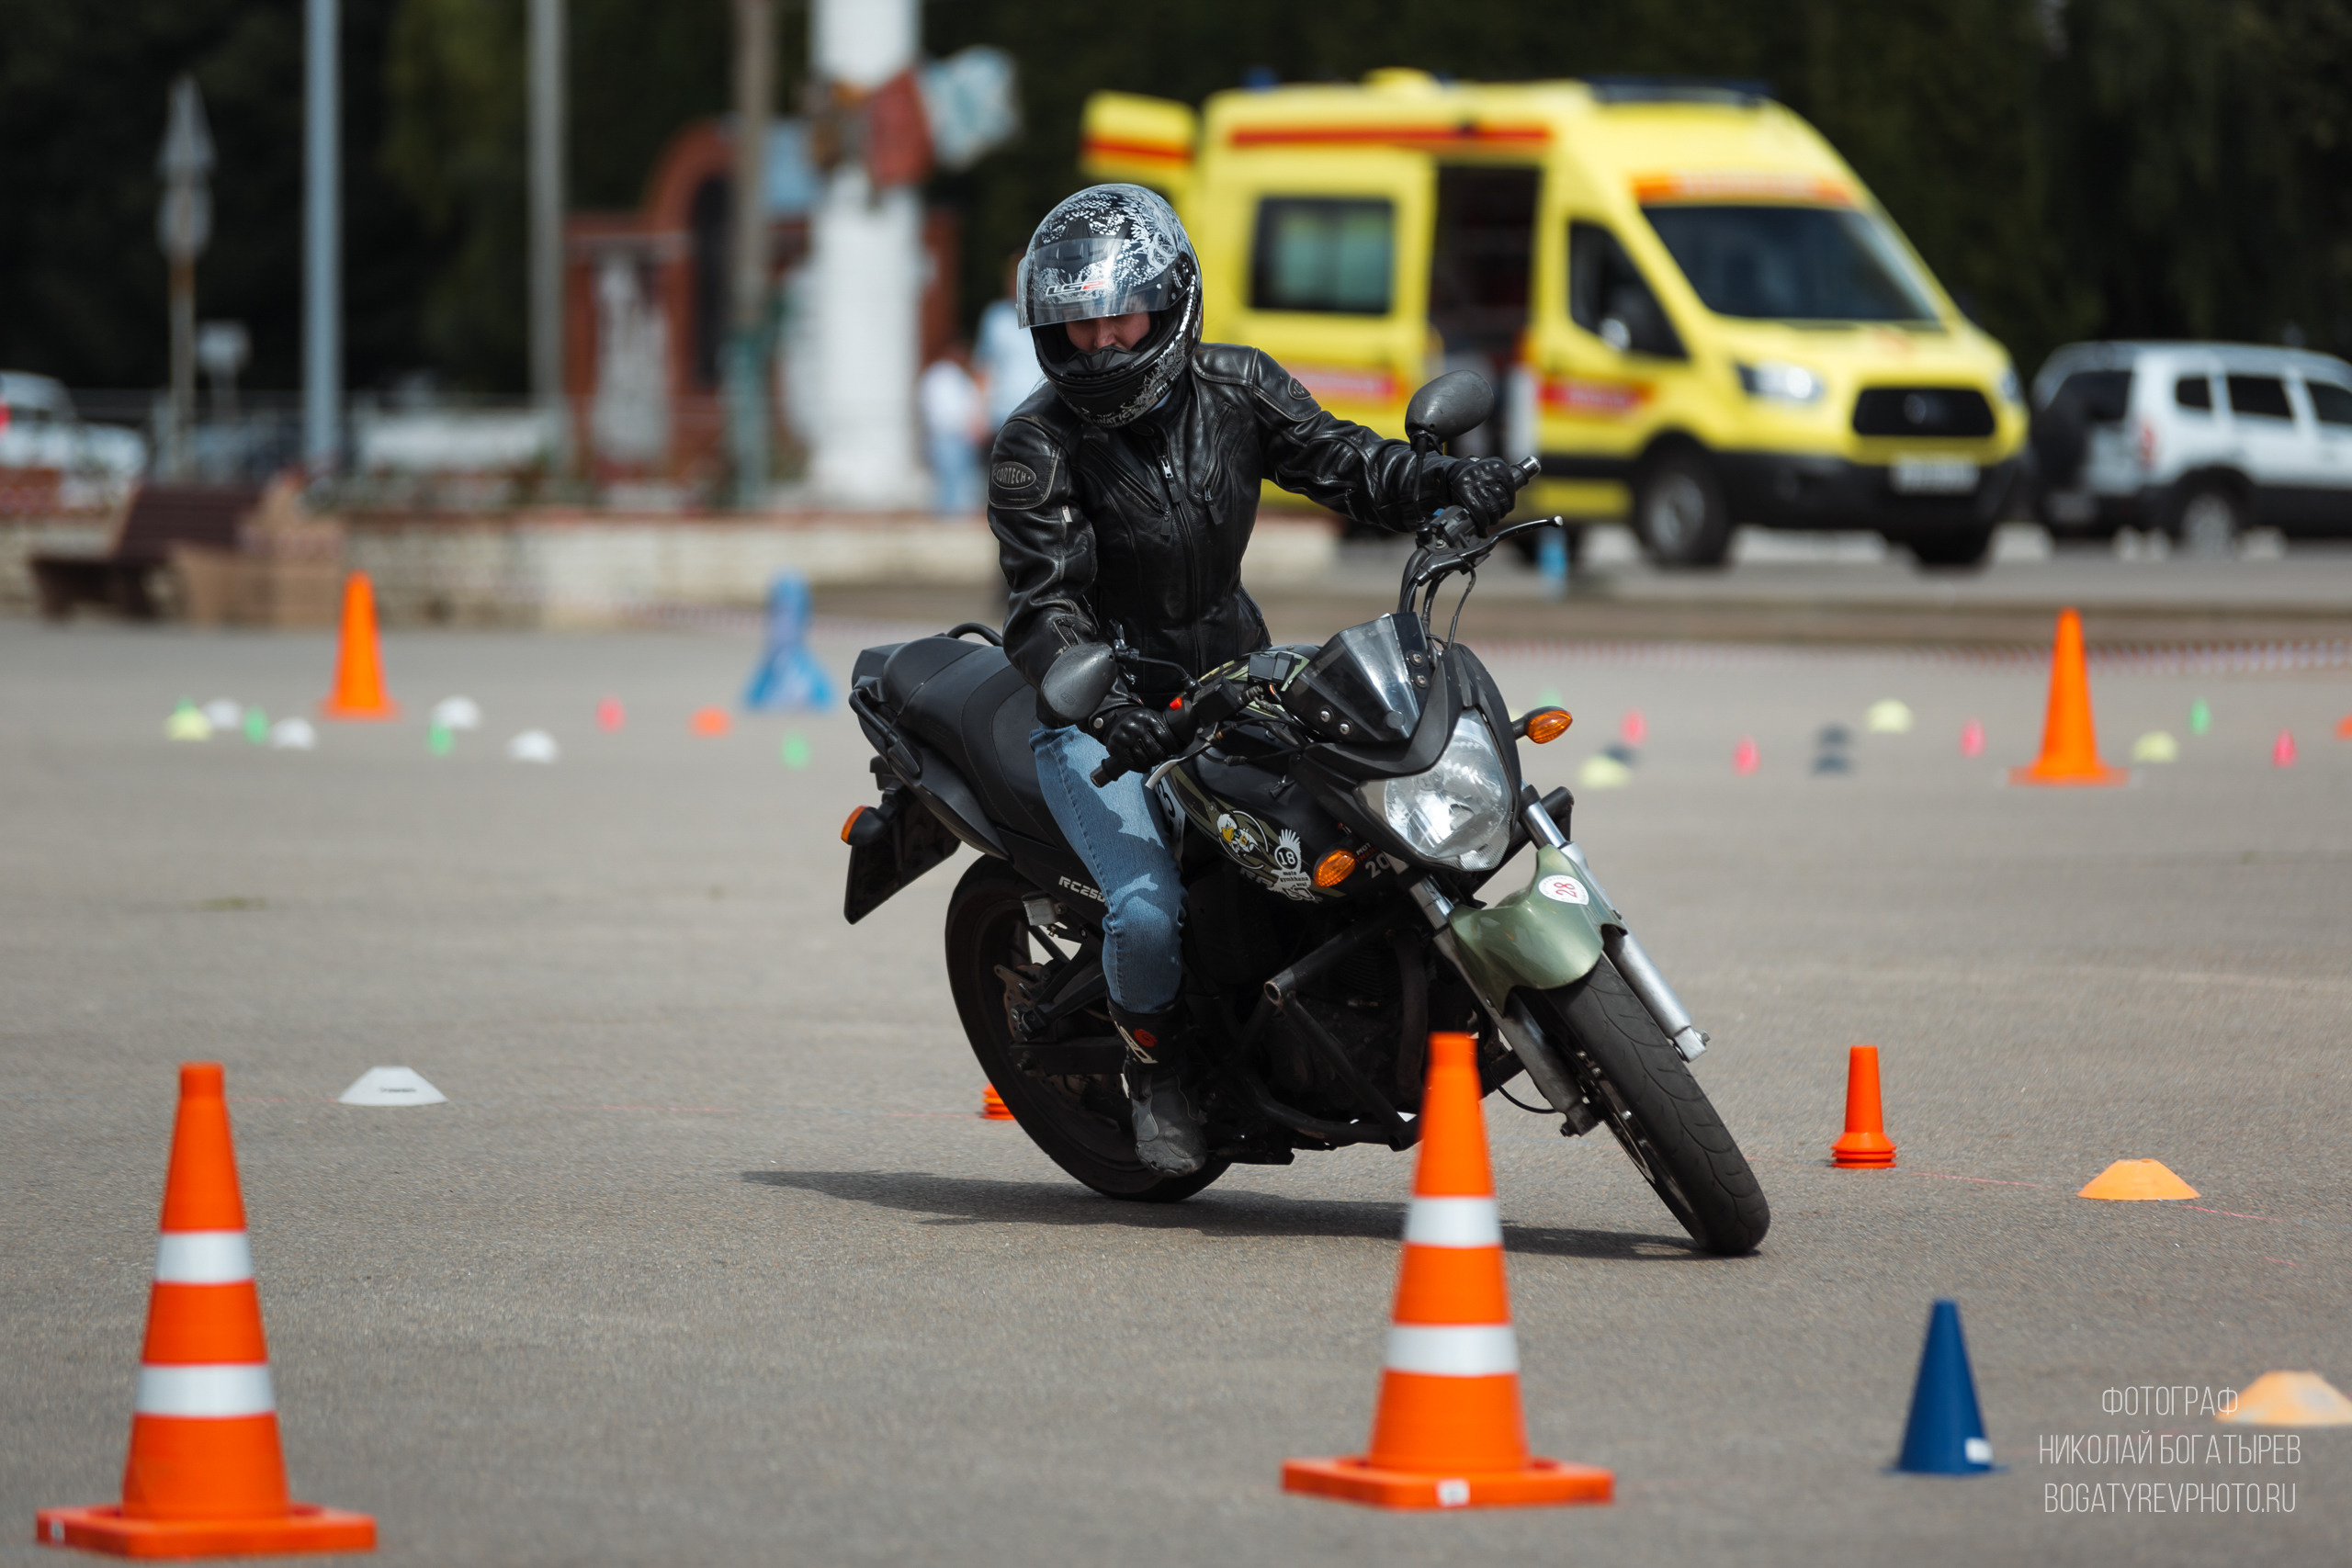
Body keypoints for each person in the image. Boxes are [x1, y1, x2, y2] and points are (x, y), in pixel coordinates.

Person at [987, 184, 1521, 1177]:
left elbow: (1346, 465)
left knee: (1362, 812)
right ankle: (1155, 1070)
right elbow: (1043, 605)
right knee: (1148, 908)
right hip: (1101, 713)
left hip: (1240, 674)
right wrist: (1104, 704)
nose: (1101, 345)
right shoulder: (1036, 445)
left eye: (1119, 317)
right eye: (1075, 328)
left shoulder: (1234, 385)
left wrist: (1445, 482)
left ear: (1173, 298)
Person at [975, 252, 1048, 434]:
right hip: (1001, 416)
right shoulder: (995, 317)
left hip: (1043, 414)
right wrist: (978, 413)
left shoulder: (1049, 318)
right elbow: (984, 368)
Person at [918, 344, 985, 514]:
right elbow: (947, 410)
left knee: (956, 482)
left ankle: (951, 517)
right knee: (953, 483)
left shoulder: (946, 375)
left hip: (954, 436)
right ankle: (950, 519)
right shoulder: (946, 376)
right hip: (950, 435)